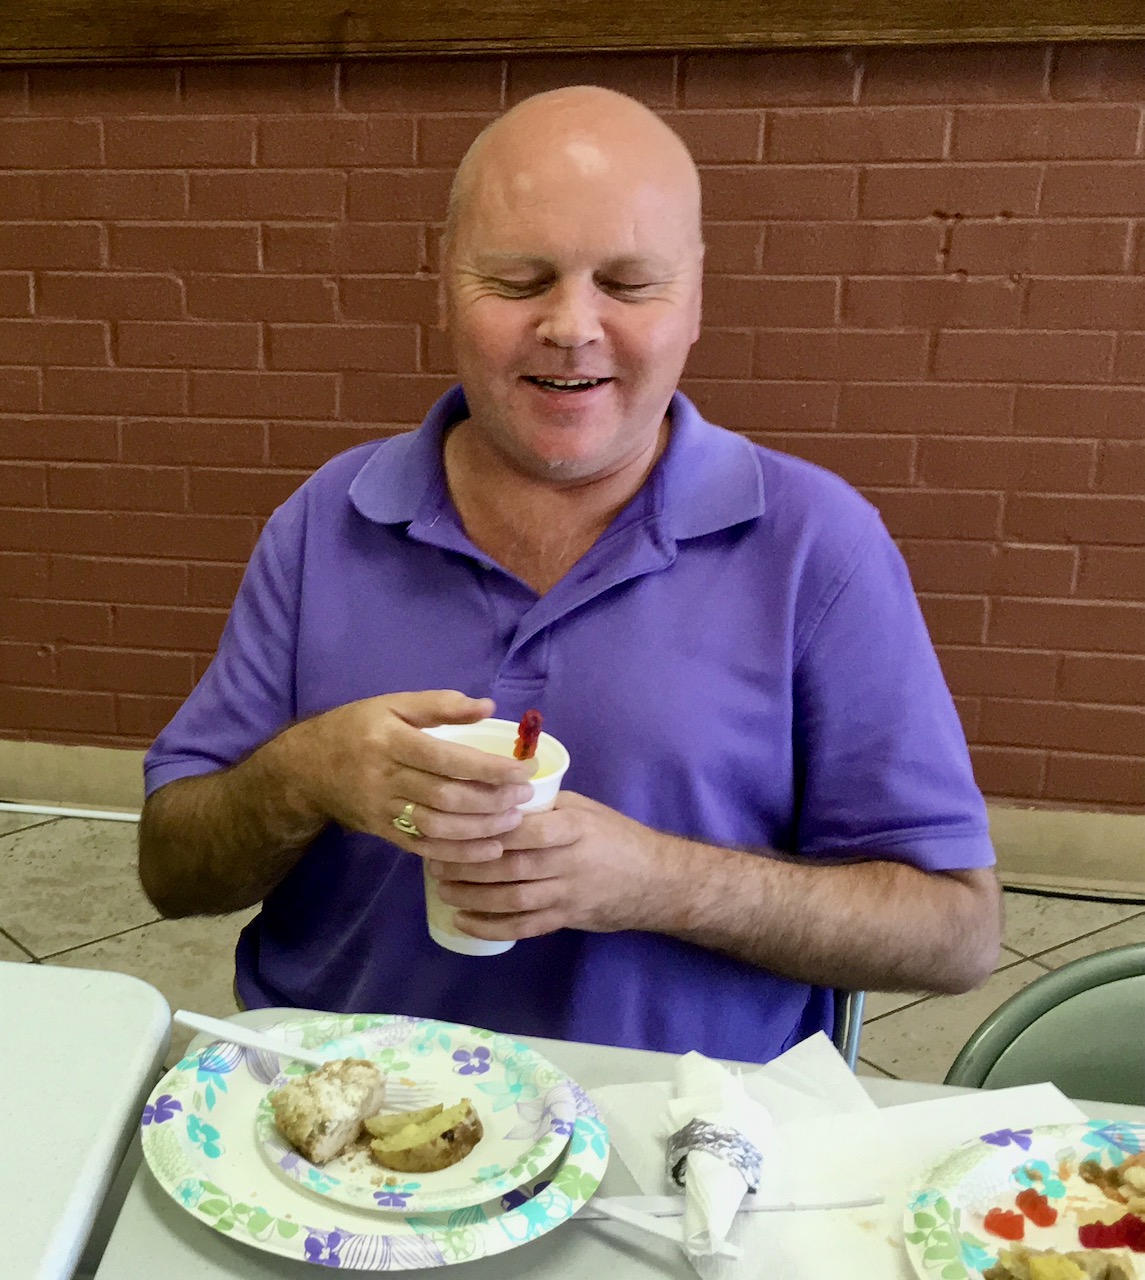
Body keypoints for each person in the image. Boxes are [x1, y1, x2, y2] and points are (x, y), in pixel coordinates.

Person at [139, 85, 1002, 1063]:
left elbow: (954, 931)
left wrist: (658, 880)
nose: (571, 326)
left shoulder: (816, 546)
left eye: (628, 284)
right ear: (445, 285)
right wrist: (301, 775)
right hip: (339, 1125)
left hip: (672, 1146)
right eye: (518, 280)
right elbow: (173, 868)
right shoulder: (325, 521)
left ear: (694, 299)